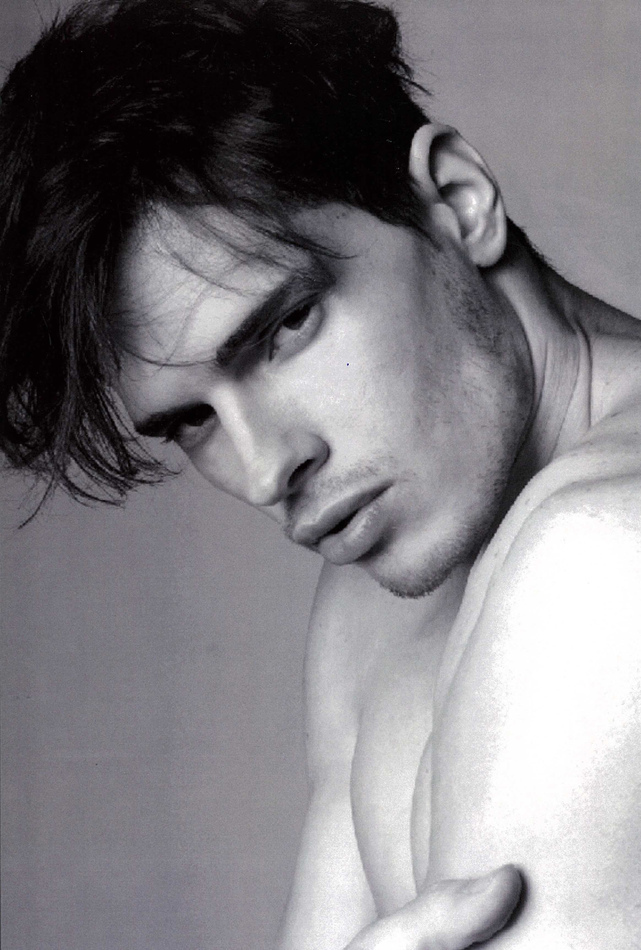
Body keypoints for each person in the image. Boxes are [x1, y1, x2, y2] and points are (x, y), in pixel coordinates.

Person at [2, 0, 641, 948]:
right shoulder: (369, 609)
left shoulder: (604, 558)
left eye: (284, 328)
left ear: (458, 200)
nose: (266, 469)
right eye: (188, 422)